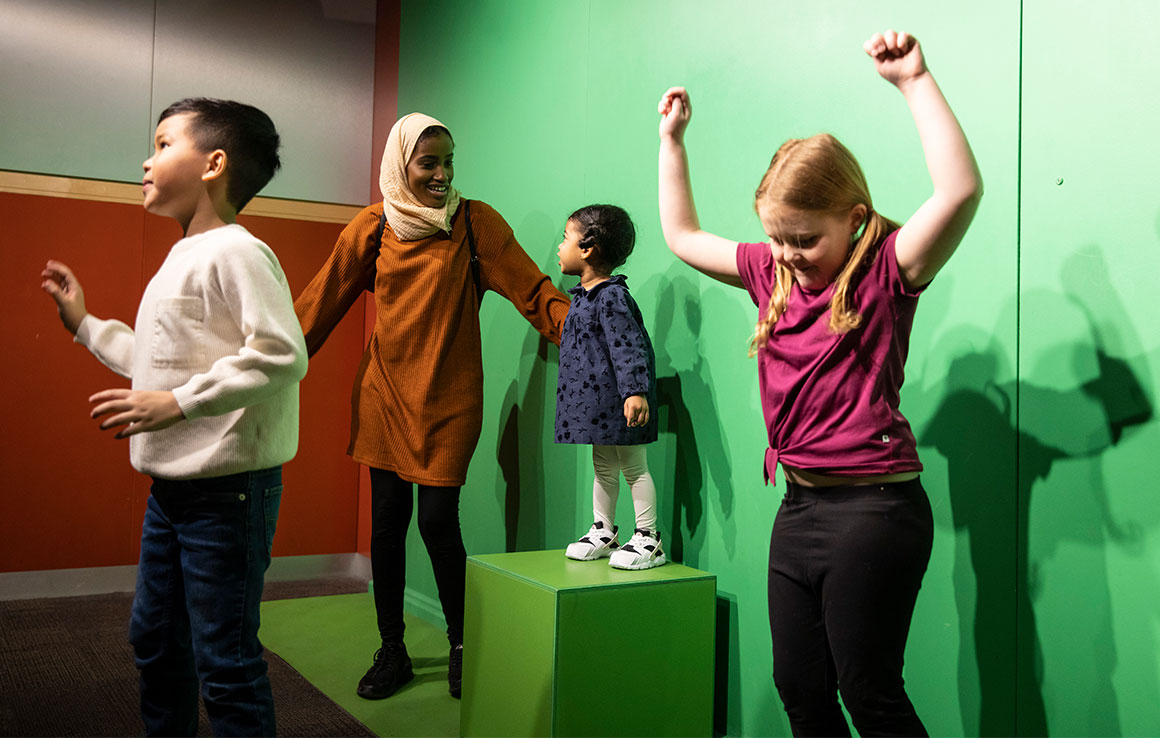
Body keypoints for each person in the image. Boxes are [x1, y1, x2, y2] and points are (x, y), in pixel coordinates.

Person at [657, 30, 982, 737]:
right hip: (799, 511)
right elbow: (683, 236)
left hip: (875, 511)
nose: (789, 255)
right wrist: (673, 142)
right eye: (778, 237)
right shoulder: (769, 273)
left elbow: (959, 191)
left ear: (855, 218)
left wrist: (913, 81)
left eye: (805, 239)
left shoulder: (888, 270)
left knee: (870, 694)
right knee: (800, 688)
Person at [40, 98, 306, 737]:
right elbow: (156, 363)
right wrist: (84, 324)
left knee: (226, 661)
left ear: (214, 163)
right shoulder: (182, 255)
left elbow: (280, 354)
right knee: (156, 642)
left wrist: (179, 403)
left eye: (162, 144)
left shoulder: (239, 251)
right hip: (172, 494)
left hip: (228, 496)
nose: (147, 158)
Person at [294, 112, 570, 700]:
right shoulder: (374, 228)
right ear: (402, 166)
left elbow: (534, 292)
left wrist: (597, 340)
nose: (442, 174)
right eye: (429, 163)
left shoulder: (475, 224)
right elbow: (318, 305)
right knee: (388, 526)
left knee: (439, 523)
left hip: (448, 398)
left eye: (449, 162)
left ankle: (463, 645)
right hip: (385, 396)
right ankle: (391, 649)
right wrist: (264, 365)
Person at [554, 204, 665, 569]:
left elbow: (628, 345)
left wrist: (635, 391)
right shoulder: (583, 297)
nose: (559, 246)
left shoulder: (612, 297)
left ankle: (648, 537)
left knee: (634, 467)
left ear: (587, 249)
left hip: (619, 402)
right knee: (602, 466)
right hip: (598, 405)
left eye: (565, 238)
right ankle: (604, 529)